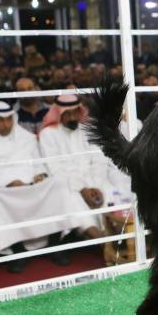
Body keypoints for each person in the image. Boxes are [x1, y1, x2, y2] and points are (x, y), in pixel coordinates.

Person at [0, 101, 75, 273]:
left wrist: (40, 174)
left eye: (8, 120)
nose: (5, 124)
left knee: (59, 183)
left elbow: (38, 163)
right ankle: (18, 252)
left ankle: (55, 244)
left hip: (31, 184)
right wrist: (9, 182)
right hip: (3, 190)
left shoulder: (25, 138)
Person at [39, 95, 127, 241]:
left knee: (112, 194)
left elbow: (99, 158)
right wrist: (82, 189)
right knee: (73, 202)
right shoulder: (48, 134)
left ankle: (121, 239)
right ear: (59, 113)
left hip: (95, 179)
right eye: (67, 114)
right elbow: (55, 169)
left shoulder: (86, 130)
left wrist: (96, 185)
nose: (73, 117)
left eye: (75, 112)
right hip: (68, 184)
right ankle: (104, 244)